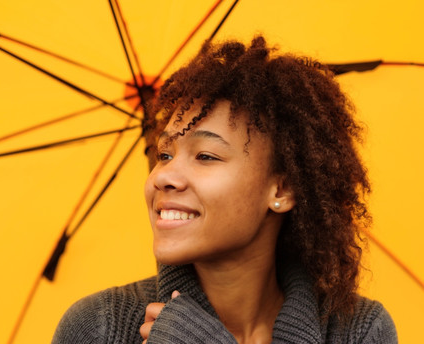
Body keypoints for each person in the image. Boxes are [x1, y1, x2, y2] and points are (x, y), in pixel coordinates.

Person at [51, 36, 397, 343]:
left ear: (282, 189)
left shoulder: (357, 331)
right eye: (165, 154)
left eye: (205, 155)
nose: (164, 176)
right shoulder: (99, 327)